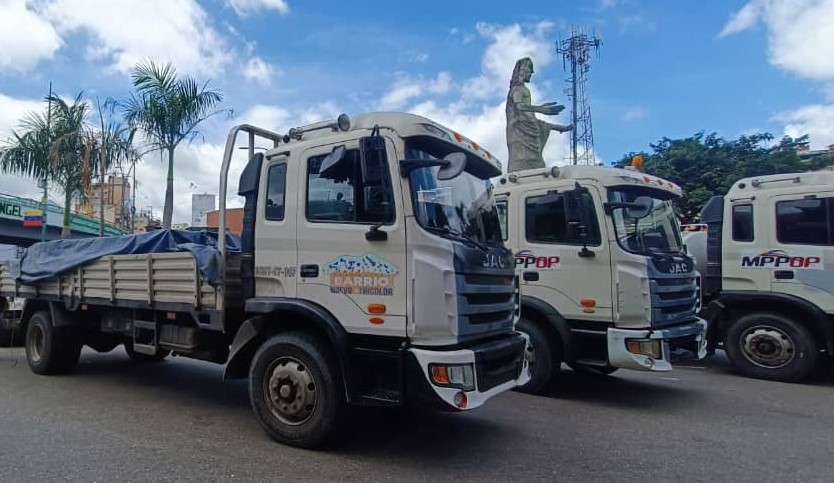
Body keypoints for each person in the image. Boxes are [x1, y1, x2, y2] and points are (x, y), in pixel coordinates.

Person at [506, 57, 573, 172]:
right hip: (520, 136)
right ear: (519, 72)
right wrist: (541, 109)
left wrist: (562, 128)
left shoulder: (524, 90)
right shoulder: (517, 90)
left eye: (530, 72)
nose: (529, 74)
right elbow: (520, 106)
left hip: (530, 131)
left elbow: (542, 124)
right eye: (526, 71)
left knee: (537, 166)